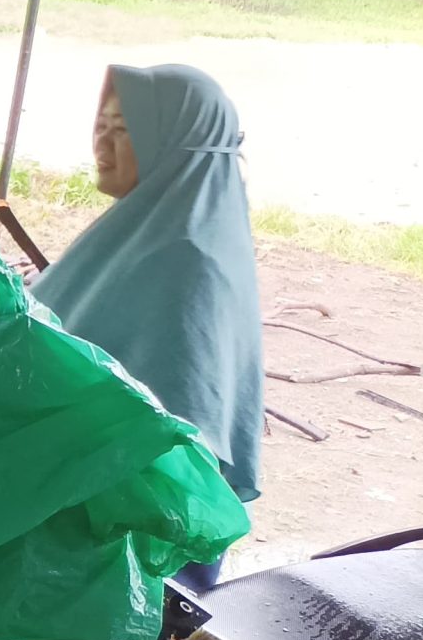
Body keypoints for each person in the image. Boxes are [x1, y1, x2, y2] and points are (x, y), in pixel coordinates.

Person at [34, 65, 262, 592]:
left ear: (175, 145)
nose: (102, 143)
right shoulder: (146, 229)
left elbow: (168, 445)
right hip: (92, 497)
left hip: (131, 545)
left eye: (123, 130)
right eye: (101, 125)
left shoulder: (187, 263)